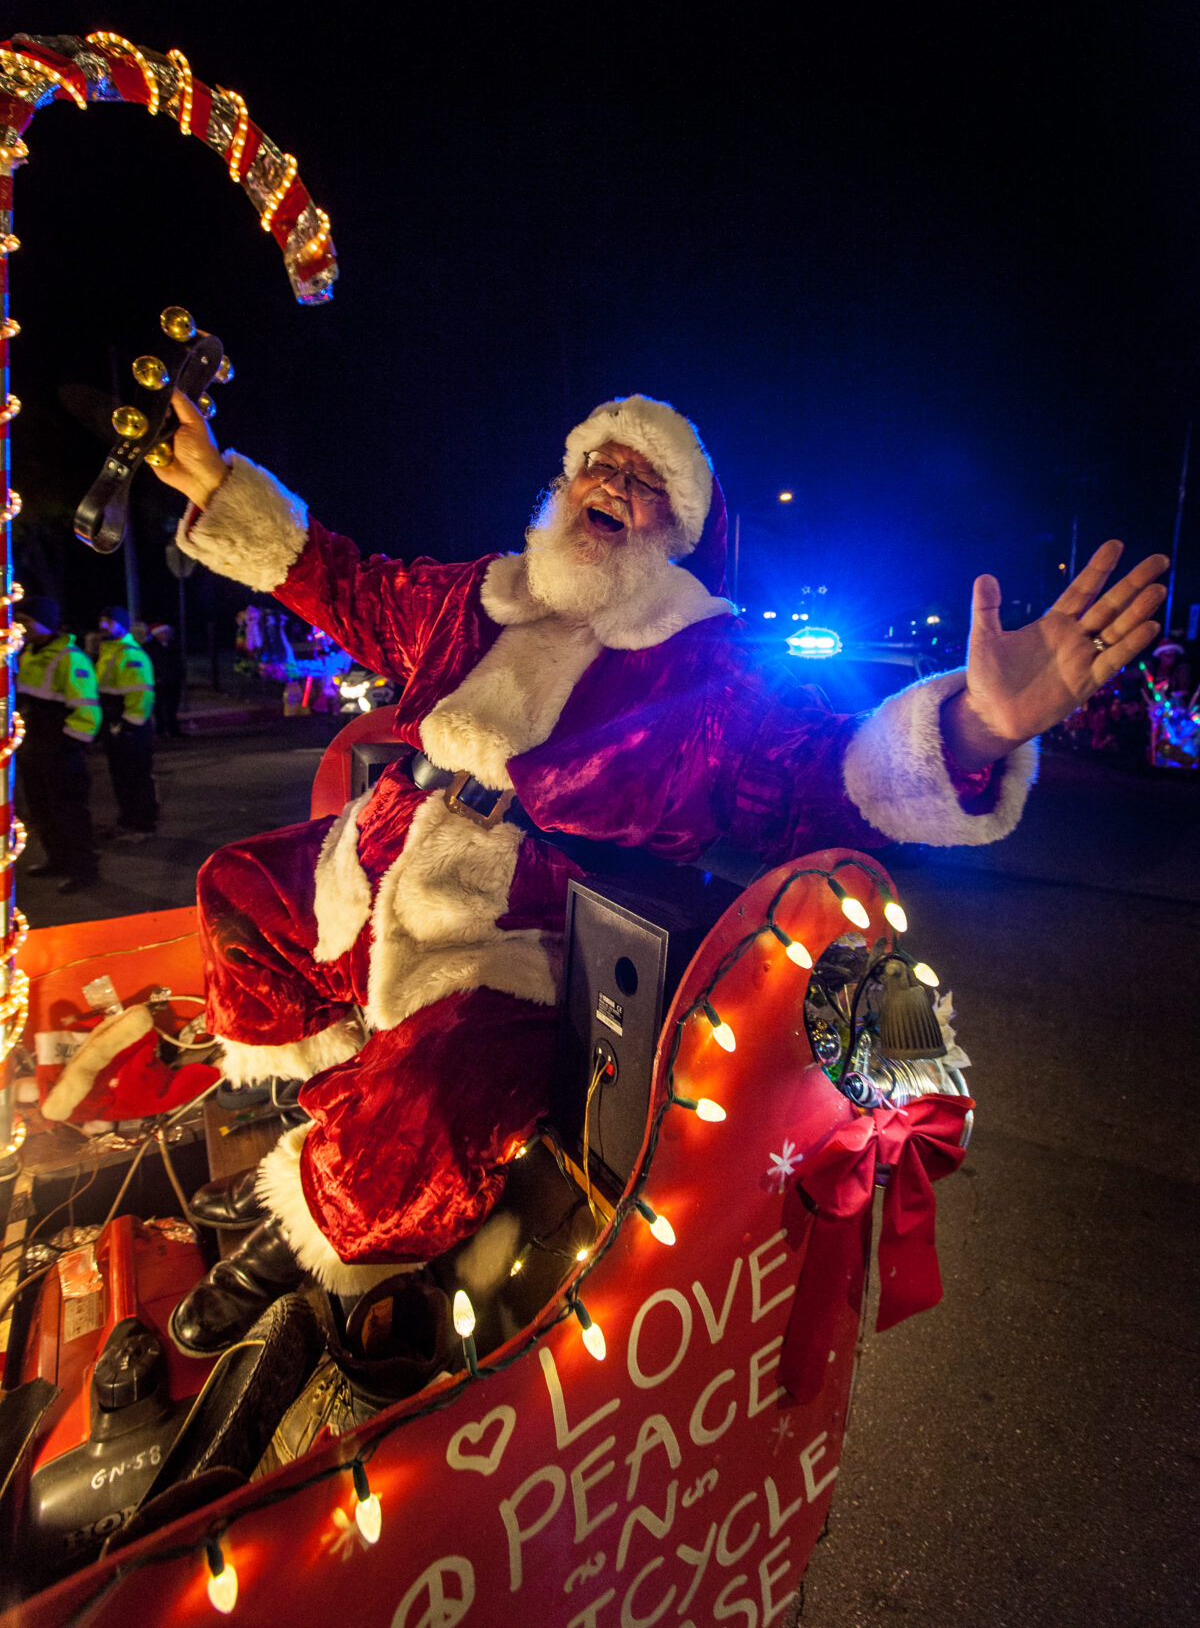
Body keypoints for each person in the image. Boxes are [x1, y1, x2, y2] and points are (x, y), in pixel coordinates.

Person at [153, 392, 1168, 1355]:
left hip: (523, 934)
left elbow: (820, 774)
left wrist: (976, 726)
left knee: (438, 1097)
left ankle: (296, 1234)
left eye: (641, 478)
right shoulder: (476, 596)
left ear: (674, 527)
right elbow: (340, 578)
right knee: (239, 889)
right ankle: (327, 1108)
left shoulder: (705, 669)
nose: (609, 479)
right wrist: (220, 488)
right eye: (597, 460)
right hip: (375, 859)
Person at [14, 597, 101, 894]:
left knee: (69, 811)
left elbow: (88, 709)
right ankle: (58, 860)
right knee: (41, 808)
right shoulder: (26, 654)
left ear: (45, 622)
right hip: (33, 745)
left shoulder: (70, 658)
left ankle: (84, 869)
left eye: (27, 621)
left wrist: (67, 743)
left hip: (60, 748)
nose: (22, 627)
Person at [95, 606, 158, 839]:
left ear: (121, 624)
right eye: (101, 620)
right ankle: (128, 820)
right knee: (120, 775)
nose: (103, 626)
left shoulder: (131, 655)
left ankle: (143, 824)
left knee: (136, 776)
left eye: (108, 621)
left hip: (130, 726)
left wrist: (130, 725)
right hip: (114, 723)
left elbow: (141, 694)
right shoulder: (108, 652)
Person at [147, 623, 185, 737]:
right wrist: (155, 677)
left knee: (172, 706)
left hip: (173, 680)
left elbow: (179, 663)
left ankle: (173, 729)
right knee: (159, 707)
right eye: (163, 632)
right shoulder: (150, 647)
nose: (166, 634)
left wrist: (180, 676)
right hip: (158, 681)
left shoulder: (174, 645)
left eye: (167, 632)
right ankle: (160, 729)